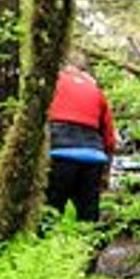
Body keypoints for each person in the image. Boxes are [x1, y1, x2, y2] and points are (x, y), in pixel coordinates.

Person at [44, 55, 117, 223]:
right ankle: (88, 246)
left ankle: (46, 246)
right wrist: (107, 171)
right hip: (93, 156)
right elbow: (109, 137)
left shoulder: (53, 82)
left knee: (51, 210)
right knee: (88, 213)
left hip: (59, 152)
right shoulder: (97, 92)